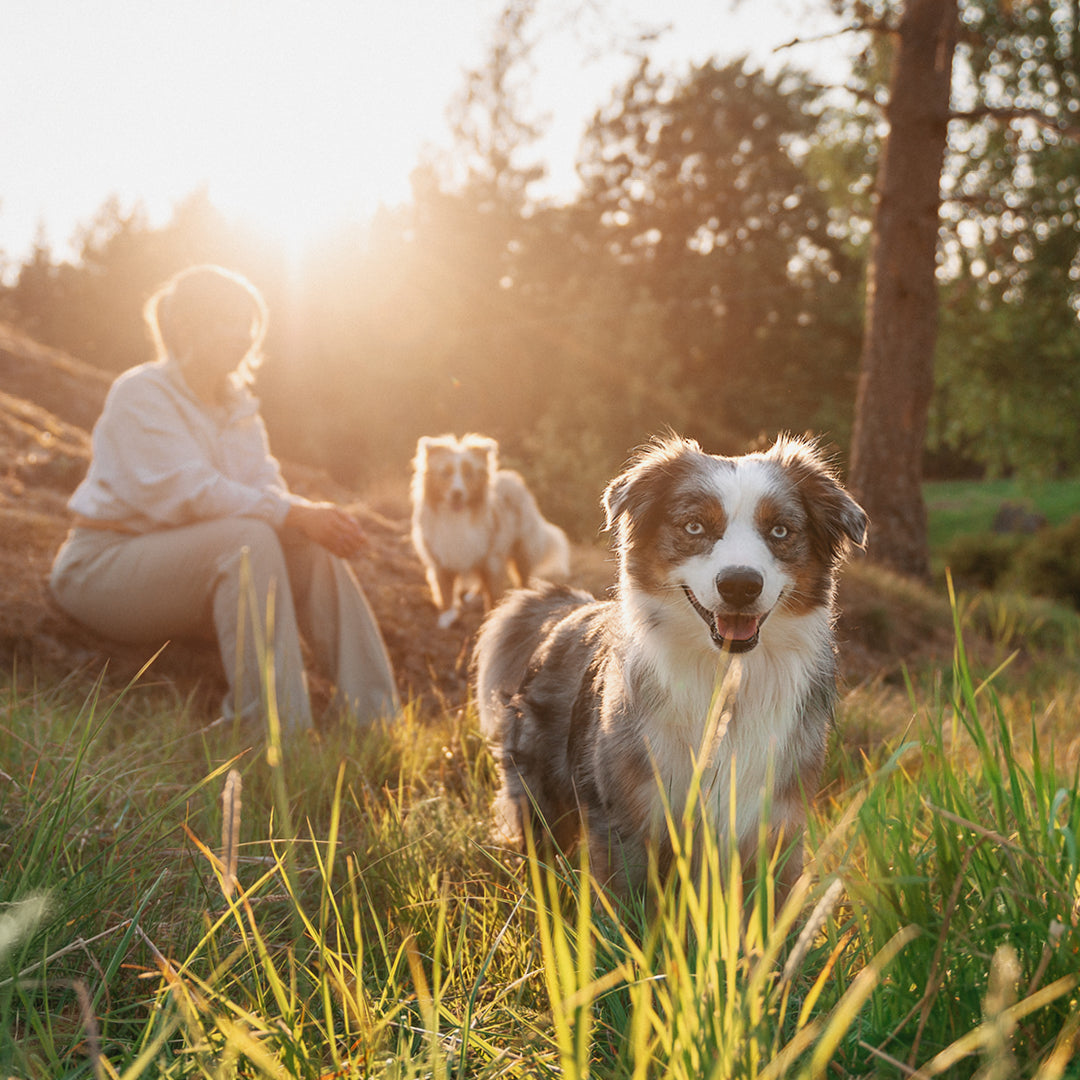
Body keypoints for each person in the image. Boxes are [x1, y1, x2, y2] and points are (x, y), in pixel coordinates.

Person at [49, 264, 399, 734]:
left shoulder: (242, 410)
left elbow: (264, 490)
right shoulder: (141, 392)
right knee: (249, 538)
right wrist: (296, 511)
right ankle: (272, 733)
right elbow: (189, 493)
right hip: (104, 568)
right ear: (187, 324)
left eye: (249, 323)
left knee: (312, 544)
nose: (243, 334)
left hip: (188, 575)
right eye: (228, 320)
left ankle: (374, 719)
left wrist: (310, 519)